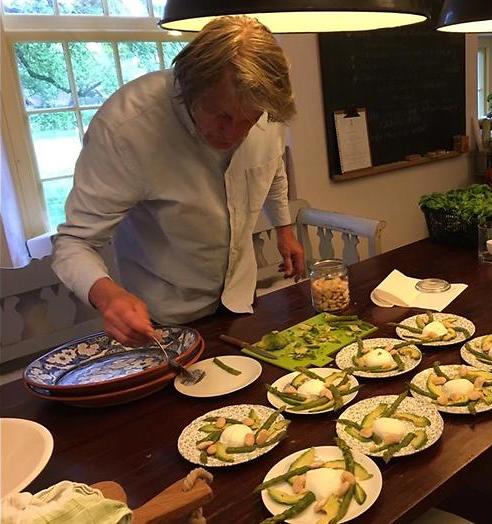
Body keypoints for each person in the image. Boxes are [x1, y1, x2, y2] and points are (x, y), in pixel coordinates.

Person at [52, 16, 305, 347]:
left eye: (249, 121)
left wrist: (284, 229)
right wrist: (108, 295)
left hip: (239, 298)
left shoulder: (264, 104)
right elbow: (74, 242)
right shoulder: (125, 129)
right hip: (161, 318)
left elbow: (272, 168)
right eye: (222, 117)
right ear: (189, 87)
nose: (235, 134)